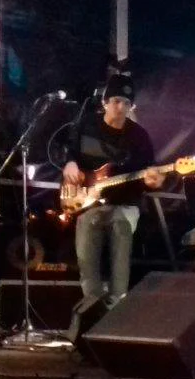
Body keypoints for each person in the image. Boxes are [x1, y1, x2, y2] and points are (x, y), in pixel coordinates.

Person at [62, 73, 165, 306]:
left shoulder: (139, 136)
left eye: (127, 103)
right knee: (86, 242)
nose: (121, 107)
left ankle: (118, 301)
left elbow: (149, 172)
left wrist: (152, 181)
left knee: (121, 227)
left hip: (125, 203)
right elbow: (69, 151)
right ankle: (92, 304)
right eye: (117, 101)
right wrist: (70, 163)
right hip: (87, 201)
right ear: (104, 102)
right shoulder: (86, 125)